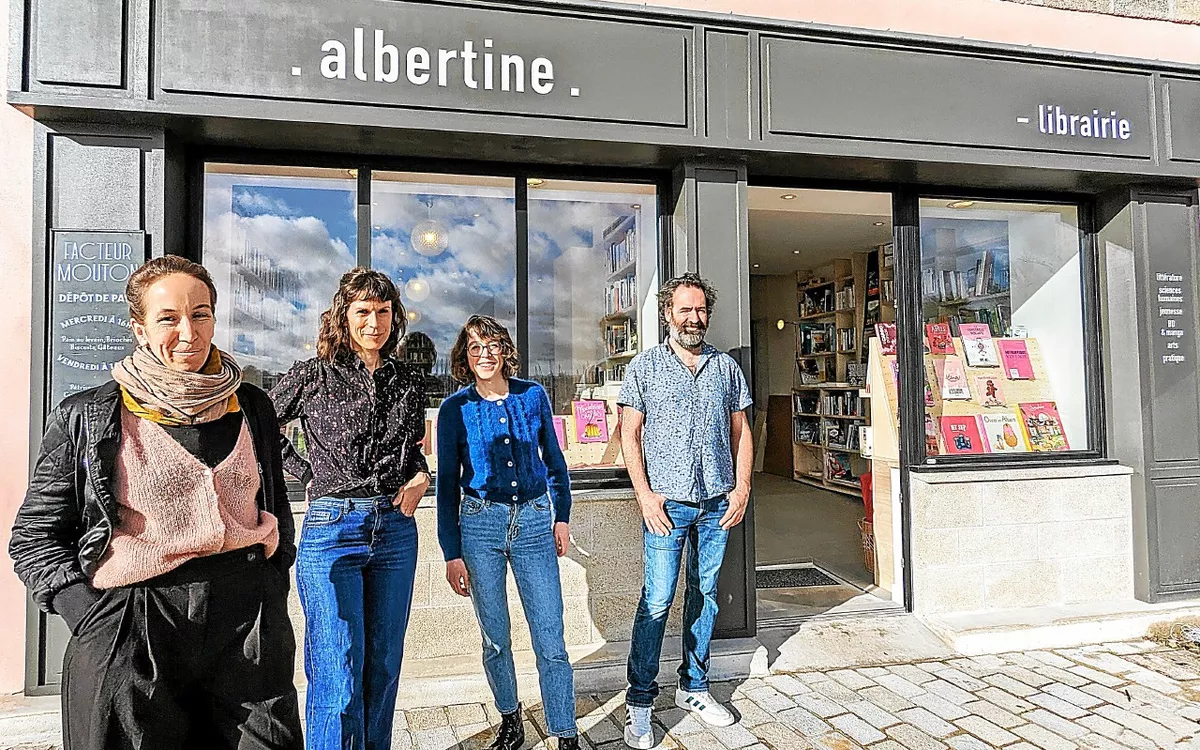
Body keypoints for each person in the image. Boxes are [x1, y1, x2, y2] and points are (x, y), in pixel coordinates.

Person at [9, 256, 302, 750]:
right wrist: (91, 615)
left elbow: (273, 501)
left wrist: (270, 584)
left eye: (202, 313)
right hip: (134, 620)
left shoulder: (252, 404)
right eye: (169, 317)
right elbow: (34, 536)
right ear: (139, 327)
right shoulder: (90, 414)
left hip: (245, 620)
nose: (189, 332)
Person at [270, 268, 431, 750]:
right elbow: (259, 430)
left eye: (383, 312)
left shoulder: (407, 379)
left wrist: (423, 477)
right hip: (332, 529)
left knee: (382, 665)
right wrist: (310, 474)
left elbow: (412, 452)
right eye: (363, 311)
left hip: (395, 531)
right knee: (338, 667)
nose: (374, 322)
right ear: (344, 315)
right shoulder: (314, 374)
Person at [619, 273, 754, 749]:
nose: (694, 319)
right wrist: (645, 496)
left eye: (700, 310)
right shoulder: (644, 368)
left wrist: (741, 489)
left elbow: (741, 433)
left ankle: (694, 688)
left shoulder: (725, 369)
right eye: (685, 310)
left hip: (717, 503)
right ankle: (640, 701)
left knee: (705, 595)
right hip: (665, 506)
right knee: (656, 602)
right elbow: (628, 436)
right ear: (667, 314)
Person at [436, 315, 579, 750]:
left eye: (493, 345)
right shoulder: (455, 409)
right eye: (475, 347)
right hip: (480, 527)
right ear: (465, 354)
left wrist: (561, 516)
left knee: (550, 634)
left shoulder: (532, 396)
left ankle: (565, 731)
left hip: (535, 523)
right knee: (495, 636)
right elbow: (446, 482)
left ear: (505, 350)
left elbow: (555, 462)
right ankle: (510, 718)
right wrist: (451, 550)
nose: (485, 354)